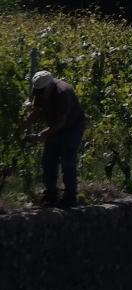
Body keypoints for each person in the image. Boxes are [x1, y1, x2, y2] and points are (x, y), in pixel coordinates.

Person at [27, 70, 86, 208]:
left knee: (67, 161)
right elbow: (36, 111)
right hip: (55, 126)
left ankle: (70, 197)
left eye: (42, 92)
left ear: (49, 87)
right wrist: (25, 125)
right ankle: (51, 195)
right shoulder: (40, 90)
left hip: (72, 127)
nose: (39, 94)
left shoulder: (62, 92)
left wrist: (42, 135)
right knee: (48, 161)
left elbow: (62, 121)